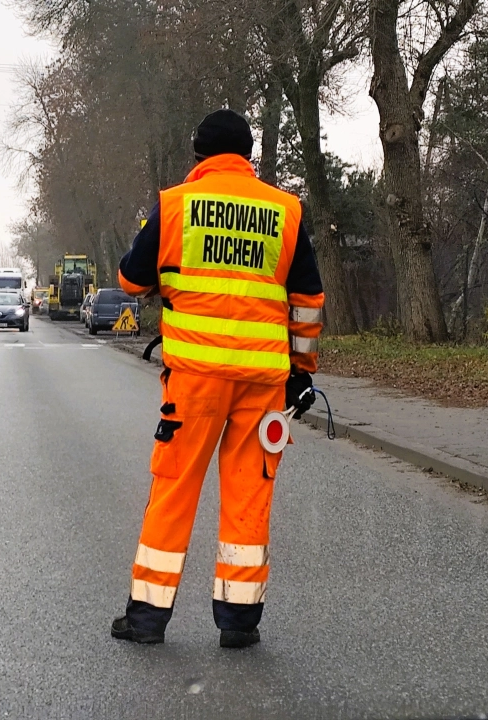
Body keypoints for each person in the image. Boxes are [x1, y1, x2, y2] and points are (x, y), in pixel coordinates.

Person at [112, 109, 325, 649]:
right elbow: (307, 303)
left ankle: (146, 620)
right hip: (262, 385)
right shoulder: (286, 211)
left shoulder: (175, 206)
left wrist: (168, 276)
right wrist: (302, 371)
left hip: (195, 382)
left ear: (198, 155)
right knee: (249, 499)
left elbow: (130, 280)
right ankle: (238, 624)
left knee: (174, 492)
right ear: (249, 156)